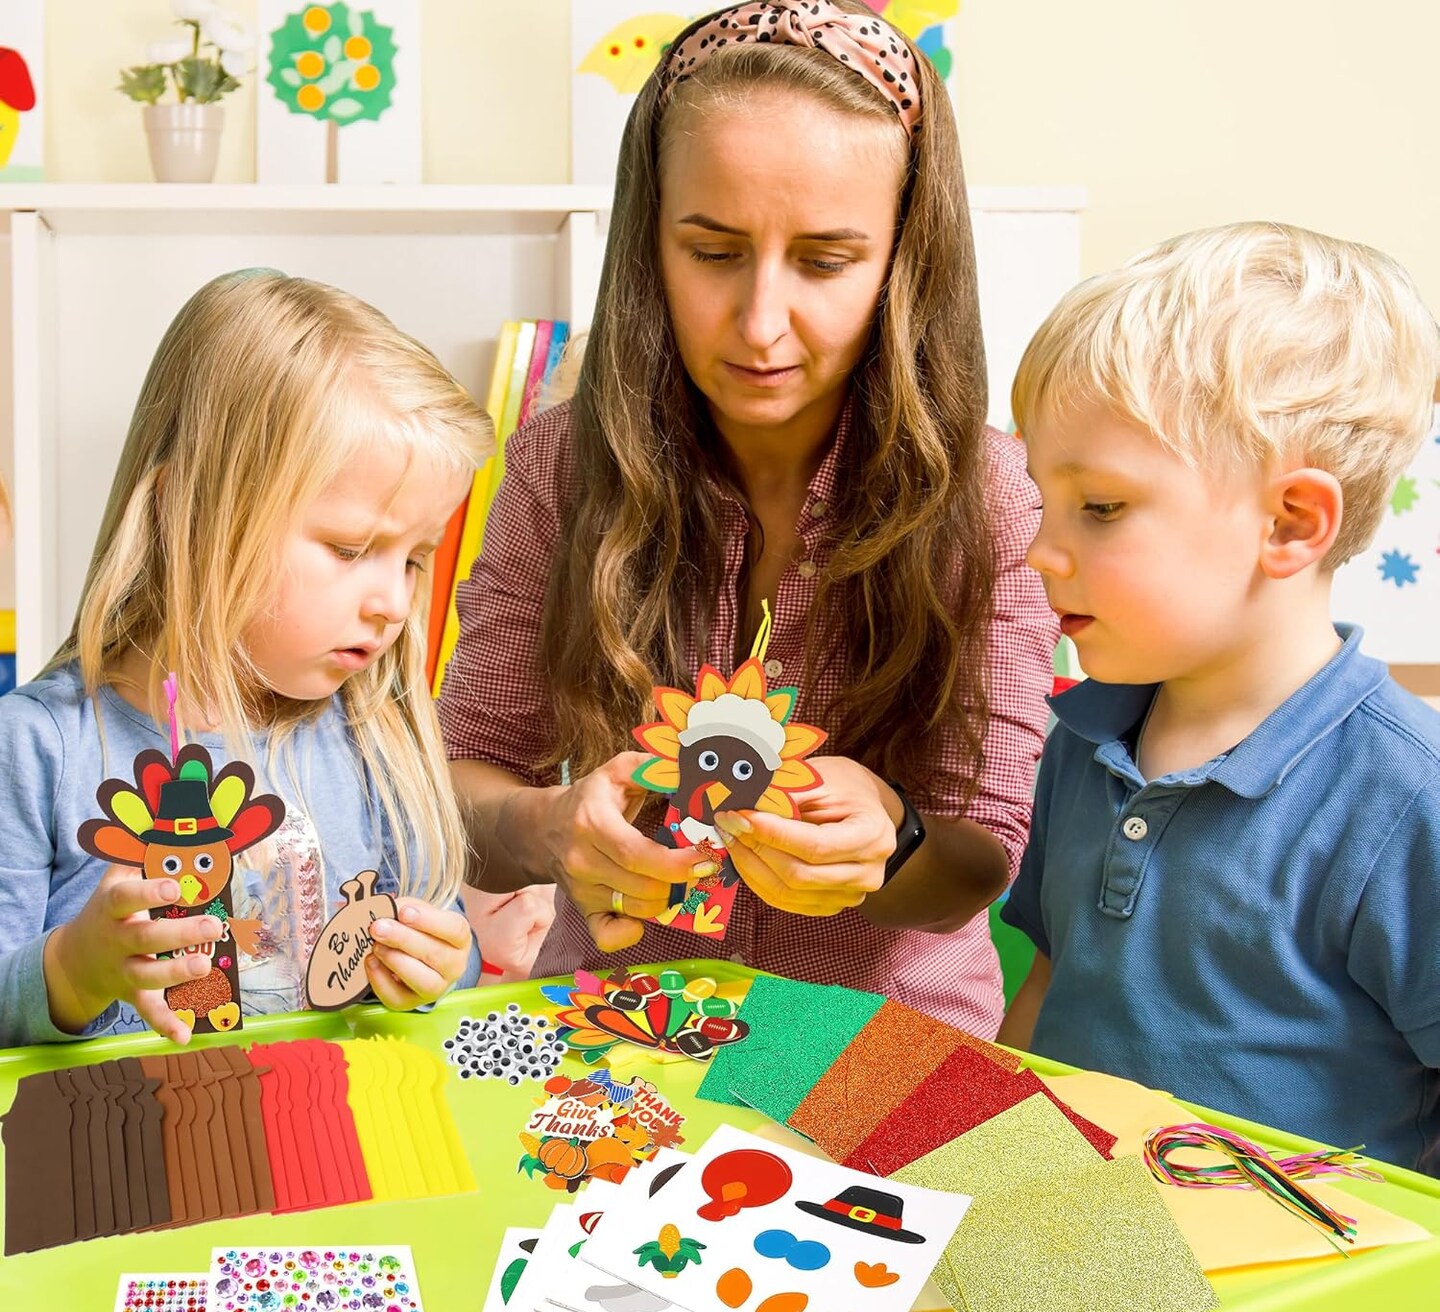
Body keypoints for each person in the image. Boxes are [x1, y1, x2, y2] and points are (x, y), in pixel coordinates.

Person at [439, 0, 1057, 1031]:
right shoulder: (557, 469)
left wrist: (892, 840)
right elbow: (464, 788)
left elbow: (980, 856)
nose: (761, 324)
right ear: (649, 243)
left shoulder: (992, 497)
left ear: (904, 260)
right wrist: (551, 828)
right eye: (714, 251)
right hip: (622, 1022)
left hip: (881, 1039)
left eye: (826, 261)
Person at [996, 222, 1440, 1173]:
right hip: (1070, 1233)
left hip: (1317, 1263)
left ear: (1290, 524)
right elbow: (1047, 990)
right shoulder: (1083, 739)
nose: (1041, 551)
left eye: (1100, 507)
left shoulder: (1409, 796)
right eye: (1042, 502)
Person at [0, 268, 494, 1047]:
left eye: (413, 559)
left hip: (338, 1116)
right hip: (126, 1124)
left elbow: (446, 956)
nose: (394, 603)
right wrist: (74, 969)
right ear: (187, 512)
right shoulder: (38, 748)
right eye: (351, 548)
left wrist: (443, 967)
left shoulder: (372, 734)